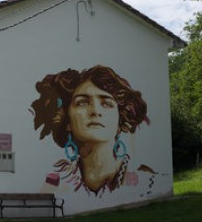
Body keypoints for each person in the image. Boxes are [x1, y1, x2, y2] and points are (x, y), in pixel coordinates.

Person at [31, 65, 151, 195]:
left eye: (106, 104)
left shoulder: (147, 179)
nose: (95, 111)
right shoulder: (56, 182)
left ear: (120, 120)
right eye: (82, 102)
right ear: (67, 122)